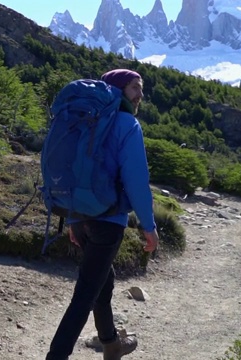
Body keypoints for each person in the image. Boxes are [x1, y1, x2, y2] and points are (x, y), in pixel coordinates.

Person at [45, 69, 160, 360]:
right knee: (85, 293)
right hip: (108, 220)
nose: (140, 95)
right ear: (118, 89)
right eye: (135, 88)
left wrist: (73, 219)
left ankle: (111, 344)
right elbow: (135, 179)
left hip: (79, 214)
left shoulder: (82, 120)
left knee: (102, 281)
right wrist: (148, 226)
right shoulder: (127, 124)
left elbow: (74, 169)